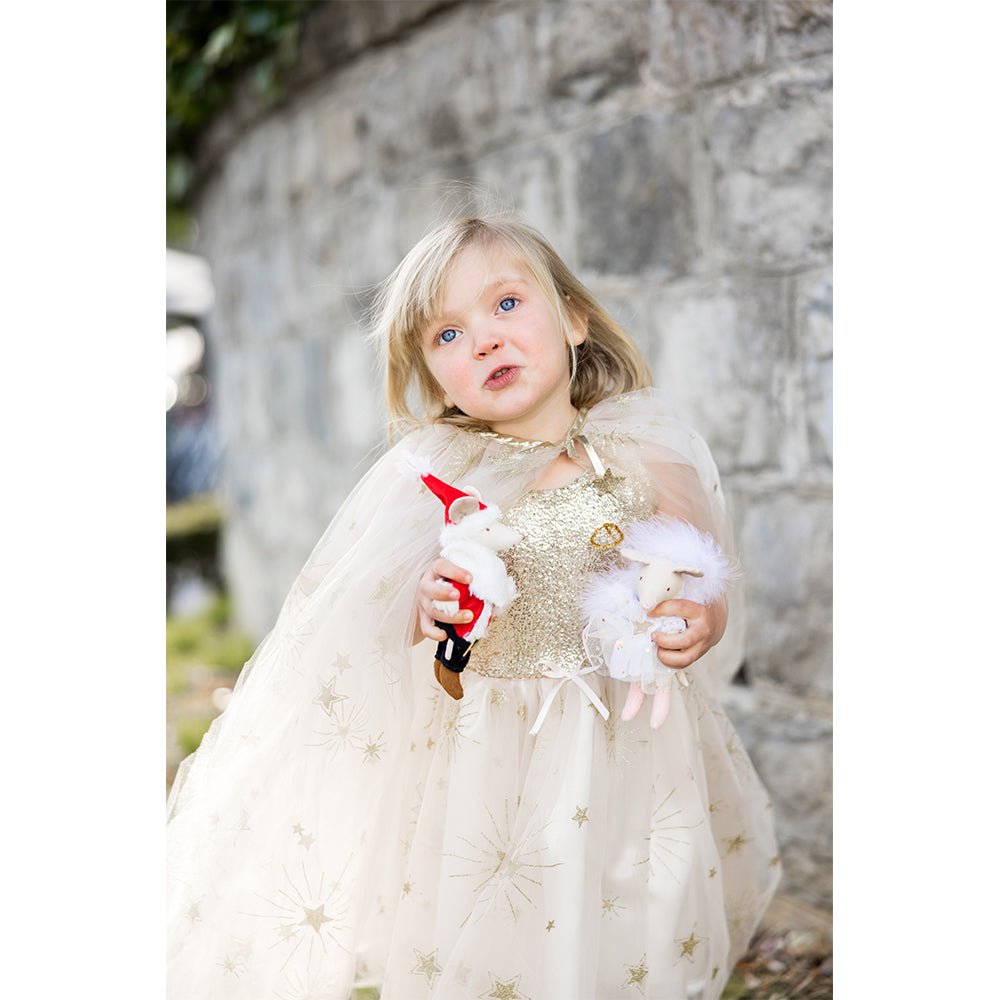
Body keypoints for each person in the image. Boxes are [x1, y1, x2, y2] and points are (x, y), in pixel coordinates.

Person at [166, 216, 780, 999]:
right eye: (448, 335)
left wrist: (698, 616)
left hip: (624, 740)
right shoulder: (441, 473)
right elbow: (384, 598)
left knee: (620, 906)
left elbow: (700, 567)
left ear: (573, 319)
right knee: (498, 912)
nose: (485, 340)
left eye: (507, 305)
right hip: (487, 745)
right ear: (431, 375)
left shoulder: (643, 449)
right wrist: (429, 601)